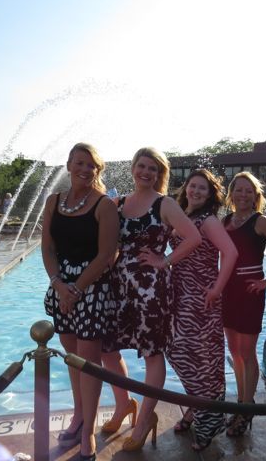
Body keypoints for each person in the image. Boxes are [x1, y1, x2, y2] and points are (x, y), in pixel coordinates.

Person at [101, 147, 201, 452]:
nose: (146, 172)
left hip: (151, 289)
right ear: (133, 168)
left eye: (152, 168)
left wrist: (164, 260)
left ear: (159, 174)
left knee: (152, 354)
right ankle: (124, 405)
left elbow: (194, 237)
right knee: (107, 349)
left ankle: (144, 419)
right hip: (119, 285)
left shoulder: (164, 203)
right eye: (142, 166)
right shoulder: (118, 204)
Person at [41, 143, 119, 461]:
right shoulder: (53, 201)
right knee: (72, 358)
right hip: (62, 286)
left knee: (89, 361)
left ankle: (87, 429)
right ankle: (78, 415)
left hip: (92, 288)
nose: (85, 169)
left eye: (91, 165)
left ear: (97, 170)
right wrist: (59, 285)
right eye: (80, 163)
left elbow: (107, 254)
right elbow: (47, 247)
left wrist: (75, 290)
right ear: (69, 164)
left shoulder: (104, 205)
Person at [165, 169, 238, 451]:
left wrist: (217, 288)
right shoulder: (182, 215)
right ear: (186, 188)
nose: (195, 191)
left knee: (196, 356)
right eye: (192, 186)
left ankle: (208, 420)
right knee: (178, 351)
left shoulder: (208, 220)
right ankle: (199, 407)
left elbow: (230, 253)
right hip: (179, 293)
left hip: (200, 296)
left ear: (209, 195)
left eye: (202, 188)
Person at [221, 171, 266, 437]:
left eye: (248, 191)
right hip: (228, 292)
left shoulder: (260, 221)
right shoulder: (225, 221)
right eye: (239, 190)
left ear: (255, 196)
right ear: (231, 194)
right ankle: (241, 403)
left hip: (250, 291)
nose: (243, 194)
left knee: (247, 352)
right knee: (235, 352)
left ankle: (246, 408)